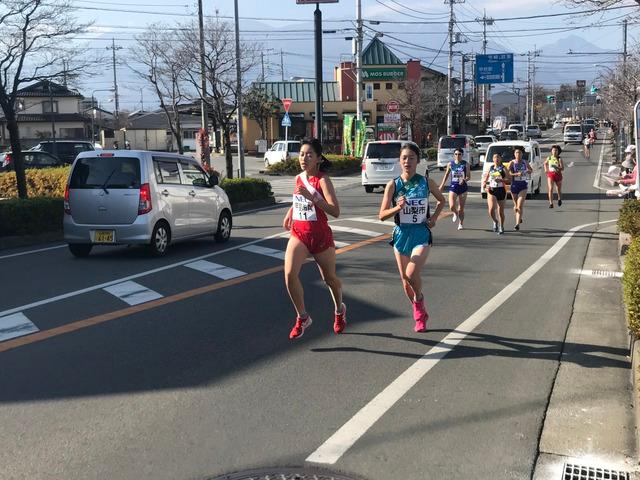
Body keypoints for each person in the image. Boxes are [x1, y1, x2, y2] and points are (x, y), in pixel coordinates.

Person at [283, 138, 346, 339]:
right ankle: (302, 317)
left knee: (330, 279)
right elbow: (299, 198)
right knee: (289, 274)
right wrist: (290, 211)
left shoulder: (323, 180)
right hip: (299, 233)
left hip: (320, 236)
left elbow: (335, 211)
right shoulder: (298, 178)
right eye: (302, 154)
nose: (304, 158)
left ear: (319, 158)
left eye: (310, 154)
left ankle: (339, 310)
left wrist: (315, 199)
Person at [378, 143, 445, 332]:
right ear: (399, 161)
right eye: (404, 158)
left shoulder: (426, 182)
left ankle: (418, 307)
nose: (407, 161)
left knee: (411, 273)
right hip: (401, 235)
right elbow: (382, 215)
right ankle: (419, 307)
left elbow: (442, 200)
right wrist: (397, 208)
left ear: (418, 161)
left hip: (421, 233)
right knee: (405, 281)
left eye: (411, 158)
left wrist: (433, 218)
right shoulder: (393, 185)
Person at [438, 147, 470, 230]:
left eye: (459, 154)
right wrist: (441, 185)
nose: (457, 156)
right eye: (456, 154)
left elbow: (468, 176)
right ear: (454, 155)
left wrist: (464, 179)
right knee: (452, 206)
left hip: (463, 187)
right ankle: (455, 213)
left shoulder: (465, 164)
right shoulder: (450, 164)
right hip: (453, 186)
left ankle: (460, 223)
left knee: (461, 208)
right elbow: (446, 175)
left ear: (462, 155)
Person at [481, 152, 511, 234]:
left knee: (500, 211)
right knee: (491, 209)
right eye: (494, 157)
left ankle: (501, 226)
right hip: (492, 189)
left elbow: (509, 180)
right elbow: (486, 178)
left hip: (501, 190)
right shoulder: (491, 168)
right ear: (493, 159)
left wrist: (501, 180)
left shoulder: (503, 168)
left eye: (498, 157)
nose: (496, 159)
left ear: (500, 159)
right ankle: (495, 221)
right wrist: (484, 183)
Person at [508, 146, 533, 231]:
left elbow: (531, 170)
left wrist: (526, 171)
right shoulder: (512, 162)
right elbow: (508, 173)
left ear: (522, 154)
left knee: (520, 205)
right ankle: (519, 217)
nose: (518, 154)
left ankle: (517, 224)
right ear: (514, 154)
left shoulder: (525, 162)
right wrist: (516, 174)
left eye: (519, 153)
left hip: (523, 185)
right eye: (516, 153)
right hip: (514, 185)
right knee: (515, 206)